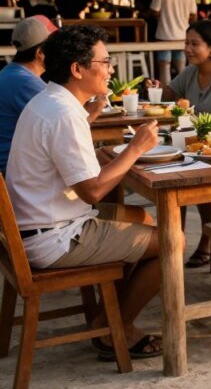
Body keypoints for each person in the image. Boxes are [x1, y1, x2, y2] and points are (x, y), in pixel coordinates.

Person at [6, 25, 166, 360]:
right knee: (171, 242)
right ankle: (117, 329)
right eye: (105, 62)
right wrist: (135, 149)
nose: (111, 69)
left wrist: (88, 115)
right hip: (53, 237)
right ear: (77, 69)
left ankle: (109, 319)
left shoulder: (50, 101)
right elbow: (92, 191)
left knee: (143, 216)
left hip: (37, 225)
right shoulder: (63, 113)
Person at [145, 20, 211, 268]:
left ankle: (206, 241)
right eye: (186, 43)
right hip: (193, 145)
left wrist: (194, 133)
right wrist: (157, 87)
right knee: (170, 182)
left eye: (194, 44)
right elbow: (171, 95)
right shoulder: (192, 71)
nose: (187, 49)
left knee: (199, 179)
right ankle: (173, 246)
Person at [0, 16, 69, 175]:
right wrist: (95, 107)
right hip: (15, 173)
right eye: (54, 49)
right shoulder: (26, 83)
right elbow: (63, 125)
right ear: (40, 53)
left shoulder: (11, 73)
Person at [149, 0, 196, 85]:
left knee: (164, 67)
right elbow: (193, 15)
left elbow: (154, 11)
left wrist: (162, 16)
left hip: (164, 35)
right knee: (181, 68)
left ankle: (165, 96)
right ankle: (182, 95)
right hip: (182, 35)